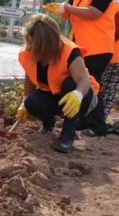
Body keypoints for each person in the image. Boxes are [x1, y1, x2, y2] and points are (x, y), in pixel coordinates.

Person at [15, 14, 101, 153]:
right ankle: (48, 123)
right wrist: (24, 102)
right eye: (28, 41)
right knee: (32, 102)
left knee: (69, 84)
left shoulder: (69, 51)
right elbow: (30, 76)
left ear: (45, 43)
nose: (29, 46)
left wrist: (77, 95)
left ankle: (67, 136)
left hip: (82, 96)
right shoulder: (28, 53)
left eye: (32, 43)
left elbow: (83, 80)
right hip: (56, 95)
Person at [54, 0, 116, 84]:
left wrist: (66, 7)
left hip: (98, 49)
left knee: (90, 84)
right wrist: (57, 9)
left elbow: (93, 13)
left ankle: (95, 104)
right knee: (76, 82)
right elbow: (67, 13)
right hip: (78, 47)